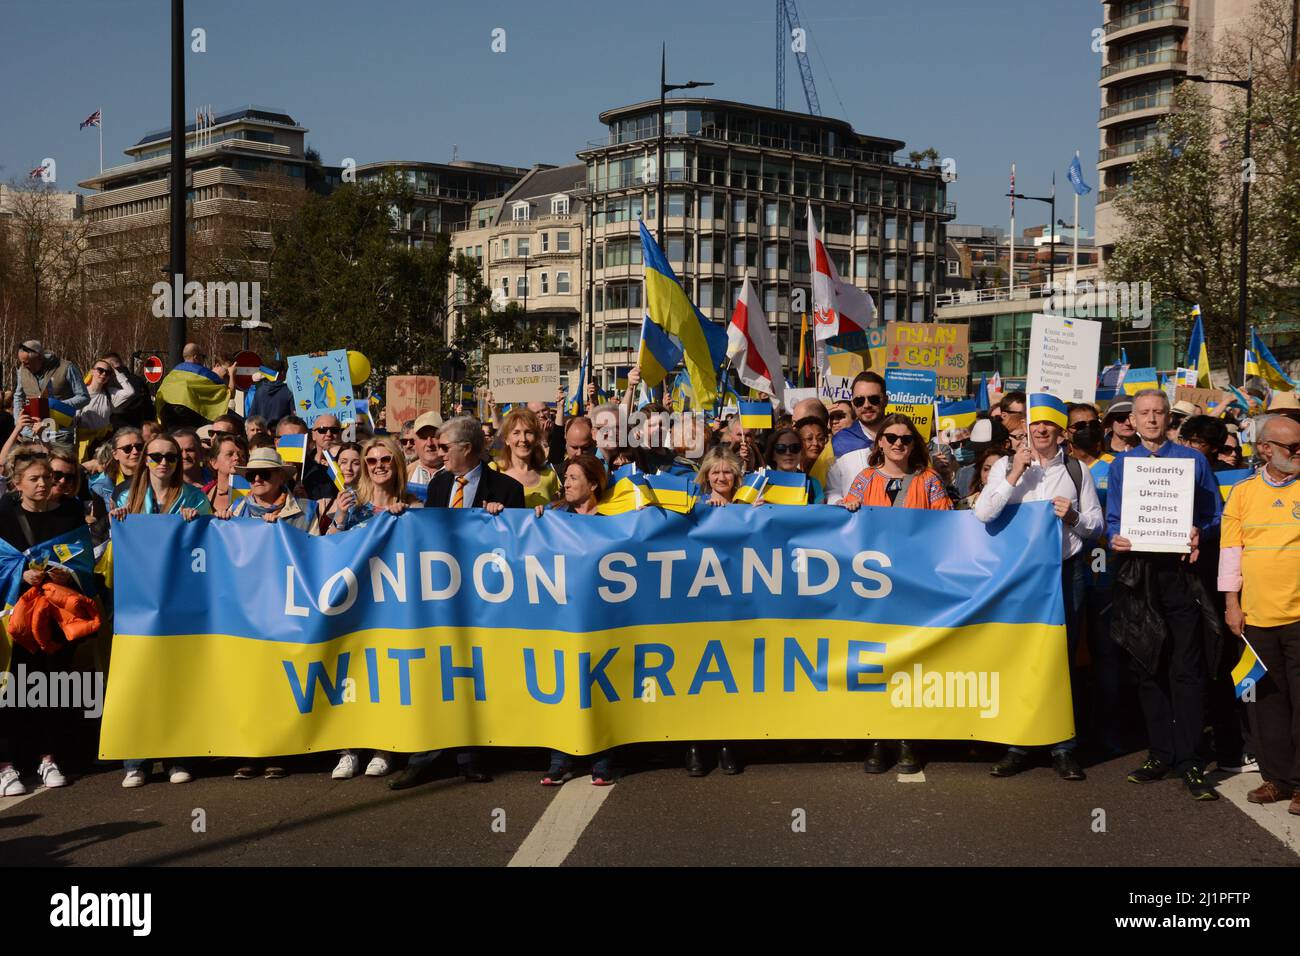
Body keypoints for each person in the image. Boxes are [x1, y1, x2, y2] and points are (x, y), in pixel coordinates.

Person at [390, 417, 525, 791]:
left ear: (466, 448)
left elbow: (519, 546)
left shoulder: (508, 489)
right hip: (442, 595)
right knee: (438, 673)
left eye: (445, 446)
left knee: (472, 676)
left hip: (484, 599)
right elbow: (430, 532)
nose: (439, 452)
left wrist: (504, 521)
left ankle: (470, 756)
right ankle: (424, 757)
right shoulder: (439, 484)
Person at [975, 400, 1103, 781]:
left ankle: (1063, 746)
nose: (1041, 430)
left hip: (1065, 573)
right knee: (1021, 657)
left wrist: (1074, 517)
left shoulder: (1078, 470)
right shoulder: (1004, 465)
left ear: (1062, 431)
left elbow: (1095, 527)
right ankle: (1018, 745)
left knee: (1059, 661)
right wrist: (1015, 472)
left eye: (1049, 424)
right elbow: (984, 513)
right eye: (1035, 424)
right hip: (1019, 578)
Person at [1107, 390, 1224, 800]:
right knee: (1146, 664)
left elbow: (1215, 515)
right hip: (1140, 575)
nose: (1152, 419)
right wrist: (1114, 538)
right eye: (1144, 413)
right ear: (1133, 421)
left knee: (1186, 666)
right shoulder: (1123, 465)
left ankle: (1190, 760)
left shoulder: (1193, 461)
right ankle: (1160, 753)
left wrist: (1200, 533)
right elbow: (1113, 518)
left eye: (1159, 412)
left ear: (1168, 418)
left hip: (1181, 575)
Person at [839, 413, 950, 776]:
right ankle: (875, 740)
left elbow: (945, 526)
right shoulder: (864, 480)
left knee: (909, 666)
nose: (898, 444)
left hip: (914, 588)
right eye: (891, 438)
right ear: (879, 443)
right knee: (874, 665)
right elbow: (843, 528)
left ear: (914, 443)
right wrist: (847, 510)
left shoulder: (929, 480)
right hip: (871, 591)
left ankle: (907, 739)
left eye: (905, 438)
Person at [1220, 414, 1300, 813]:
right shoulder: (1243, 492)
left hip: (1299, 617)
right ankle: (1278, 779)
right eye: (1292, 448)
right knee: (1265, 703)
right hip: (1256, 618)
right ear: (1266, 449)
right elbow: (1231, 552)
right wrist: (1231, 604)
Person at [0, 448, 90, 796]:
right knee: (10, 689)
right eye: (34, 479)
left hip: (54, 618)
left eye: (46, 478)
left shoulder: (69, 514)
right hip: (13, 619)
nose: (43, 484)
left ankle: (47, 757)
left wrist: (64, 574)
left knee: (50, 688)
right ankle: (7, 765)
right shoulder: (3, 515)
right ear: (17, 483)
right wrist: (22, 573)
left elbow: (82, 562)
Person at [534, 455, 616, 785]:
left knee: (603, 685)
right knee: (566, 685)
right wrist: (535, 521)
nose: (565, 484)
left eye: (573, 478)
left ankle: (603, 758)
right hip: (563, 617)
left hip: (603, 617)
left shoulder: (615, 519)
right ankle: (560, 759)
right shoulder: (554, 516)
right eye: (564, 477)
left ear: (593, 484)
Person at [216, 447, 322, 535]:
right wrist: (220, 524)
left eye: (264, 474)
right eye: (251, 475)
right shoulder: (235, 508)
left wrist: (281, 529)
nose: (257, 479)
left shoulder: (306, 510)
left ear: (281, 477)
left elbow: (312, 552)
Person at [327, 436, 417, 534]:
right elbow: (329, 544)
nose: (379, 465)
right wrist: (340, 516)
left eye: (386, 459)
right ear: (366, 467)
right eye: (371, 461)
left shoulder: (409, 504)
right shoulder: (351, 501)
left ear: (397, 463)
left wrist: (408, 515)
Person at [111, 435, 212, 520]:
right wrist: (116, 519)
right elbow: (120, 537)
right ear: (145, 460)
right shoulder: (126, 498)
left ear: (177, 460)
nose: (164, 463)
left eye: (170, 457)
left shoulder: (196, 498)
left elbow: (205, 535)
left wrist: (195, 520)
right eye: (156, 457)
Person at [13, 340, 89, 445]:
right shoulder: (22, 369)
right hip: (30, 435)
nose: (23, 366)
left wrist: (56, 406)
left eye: (26, 362)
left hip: (60, 435)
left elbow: (84, 397)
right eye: (21, 362)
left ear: (39, 357)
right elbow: (18, 397)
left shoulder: (66, 367)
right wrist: (18, 424)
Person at [827, 371, 887, 504]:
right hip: (855, 521)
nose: (866, 405)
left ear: (885, 400)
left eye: (874, 399)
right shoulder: (839, 442)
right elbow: (831, 490)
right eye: (859, 400)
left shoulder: (904, 439)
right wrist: (839, 502)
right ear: (853, 404)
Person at [492, 407, 560, 509]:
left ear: (536, 438)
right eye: (516, 433)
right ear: (506, 439)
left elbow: (555, 517)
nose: (523, 439)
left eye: (529, 432)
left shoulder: (549, 475)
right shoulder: (493, 470)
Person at [763, 426, 822, 503]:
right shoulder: (760, 482)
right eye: (781, 448)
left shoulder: (813, 484)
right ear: (772, 454)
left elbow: (820, 513)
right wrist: (753, 507)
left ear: (801, 452)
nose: (788, 453)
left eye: (794, 448)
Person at [78, 358, 136, 436]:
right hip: (83, 441)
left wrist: (115, 371)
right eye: (100, 370)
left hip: (103, 442)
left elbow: (130, 391)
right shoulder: (80, 393)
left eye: (108, 372)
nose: (104, 374)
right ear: (92, 371)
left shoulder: (110, 394)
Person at [204, 432, 250, 513]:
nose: (237, 458)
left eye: (242, 455)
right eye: (230, 454)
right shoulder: (202, 495)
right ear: (214, 462)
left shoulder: (256, 493)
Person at [406, 411, 444, 485]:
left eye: (434, 436)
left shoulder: (458, 474)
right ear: (415, 442)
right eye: (423, 437)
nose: (429, 443)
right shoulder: (405, 474)